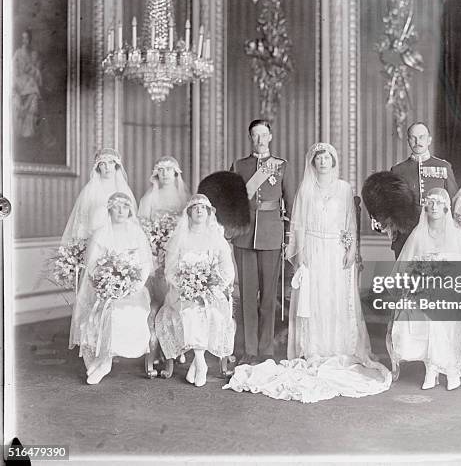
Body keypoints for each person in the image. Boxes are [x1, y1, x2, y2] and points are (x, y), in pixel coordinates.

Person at [223, 143, 391, 402]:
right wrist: (301, 257)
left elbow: (350, 222)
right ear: (312, 162)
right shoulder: (306, 189)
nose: (323, 162)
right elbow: (298, 225)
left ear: (334, 161)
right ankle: (313, 348)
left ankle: (337, 347)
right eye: (318, 158)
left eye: (327, 158)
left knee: (334, 297)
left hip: (336, 251)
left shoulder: (345, 189)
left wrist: (350, 250)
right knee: (315, 299)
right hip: (313, 249)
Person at [68, 193, 153, 384]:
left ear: (130, 209)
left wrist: (132, 286)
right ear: (109, 209)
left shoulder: (137, 233)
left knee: (122, 313)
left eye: (125, 206)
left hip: (133, 289)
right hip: (103, 288)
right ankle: (101, 359)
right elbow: (92, 266)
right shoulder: (101, 234)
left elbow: (145, 264)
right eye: (116, 207)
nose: (121, 211)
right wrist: (107, 285)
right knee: (104, 311)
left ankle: (105, 363)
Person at [230, 119, 294, 364]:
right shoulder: (239, 165)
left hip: (271, 235)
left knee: (268, 296)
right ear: (250, 138)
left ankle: (266, 350)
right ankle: (249, 349)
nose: (259, 140)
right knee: (247, 297)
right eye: (255, 135)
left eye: (263, 135)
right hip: (244, 237)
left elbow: (290, 203)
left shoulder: (281, 166)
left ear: (270, 137)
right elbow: (232, 201)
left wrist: (287, 236)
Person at [392, 188, 461, 391]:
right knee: (425, 318)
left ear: (446, 207)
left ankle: (451, 370)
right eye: (431, 203)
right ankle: (431, 369)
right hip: (424, 289)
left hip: (450, 289)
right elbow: (408, 265)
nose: (434, 207)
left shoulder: (458, 235)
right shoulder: (418, 235)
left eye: (439, 203)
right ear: (425, 207)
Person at [155, 195, 235, 387]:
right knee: (190, 312)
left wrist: (211, 287)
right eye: (195, 207)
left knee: (210, 313)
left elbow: (227, 270)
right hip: (182, 292)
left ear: (208, 213)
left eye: (203, 208)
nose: (199, 210)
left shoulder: (216, 238)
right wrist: (187, 287)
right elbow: (170, 270)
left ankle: (197, 364)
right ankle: (201, 362)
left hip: (211, 291)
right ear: (189, 213)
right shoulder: (179, 238)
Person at [138, 156, 191, 375]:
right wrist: (153, 246)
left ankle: (176, 343)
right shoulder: (149, 198)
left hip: (176, 255)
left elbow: (189, 229)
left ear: (176, 173)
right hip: (155, 253)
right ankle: (156, 347)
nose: (166, 174)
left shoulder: (184, 198)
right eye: (162, 170)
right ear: (156, 174)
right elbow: (141, 226)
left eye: (170, 170)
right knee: (157, 301)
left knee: (175, 300)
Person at [390, 122, 458, 259]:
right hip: (406, 233)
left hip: (436, 233)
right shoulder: (398, 170)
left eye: (421, 137)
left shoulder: (443, 166)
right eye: (413, 137)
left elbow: (453, 200)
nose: (417, 142)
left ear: (429, 140)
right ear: (408, 140)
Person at [62, 148, 136, 245]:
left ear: (116, 165)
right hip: (96, 240)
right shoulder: (89, 190)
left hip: (120, 240)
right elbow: (82, 222)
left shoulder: (123, 189)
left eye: (110, 162)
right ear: (97, 167)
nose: (107, 167)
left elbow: (131, 220)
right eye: (102, 164)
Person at [138, 156, 191, 220]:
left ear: (175, 172)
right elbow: (144, 222)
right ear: (157, 174)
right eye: (160, 170)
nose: (164, 174)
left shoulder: (185, 197)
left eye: (168, 169)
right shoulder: (150, 197)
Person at [12, 30, 42, 138]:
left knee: (34, 92)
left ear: (31, 40)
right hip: (19, 81)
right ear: (22, 39)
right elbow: (13, 71)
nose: (26, 41)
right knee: (22, 92)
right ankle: (22, 111)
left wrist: (32, 69)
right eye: (24, 38)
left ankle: (28, 132)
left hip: (29, 81)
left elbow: (37, 72)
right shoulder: (17, 53)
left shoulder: (34, 54)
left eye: (28, 38)